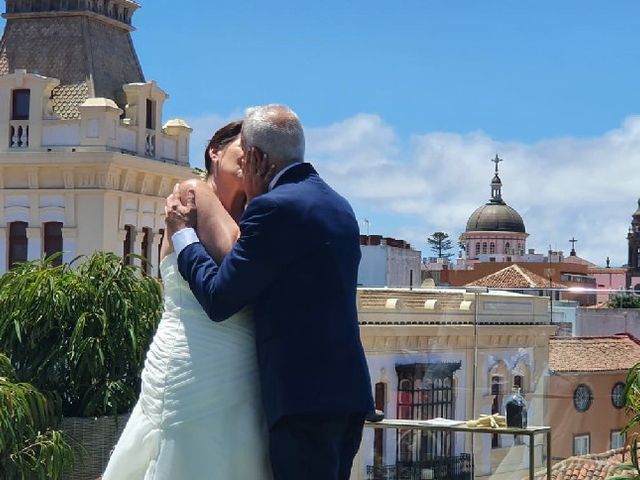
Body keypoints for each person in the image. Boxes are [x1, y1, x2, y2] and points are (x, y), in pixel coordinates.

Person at [166, 104, 375, 480]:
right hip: (347, 397)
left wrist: (183, 234)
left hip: (302, 402)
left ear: (258, 158)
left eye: (247, 159)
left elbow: (219, 298)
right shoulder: (338, 204)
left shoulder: (272, 208)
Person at [102, 121, 273, 480]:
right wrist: (260, 199)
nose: (253, 158)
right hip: (193, 361)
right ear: (215, 151)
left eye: (262, 153)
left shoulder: (253, 211)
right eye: (246, 148)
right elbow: (238, 262)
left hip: (238, 370)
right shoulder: (193, 191)